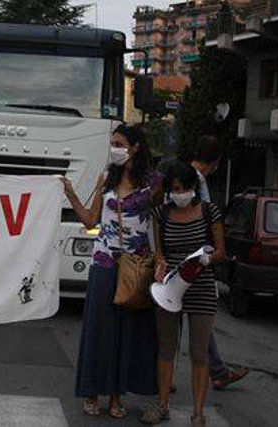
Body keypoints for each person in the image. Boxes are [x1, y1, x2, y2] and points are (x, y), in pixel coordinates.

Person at [63, 124, 161, 419]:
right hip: (103, 264)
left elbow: (159, 223)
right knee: (99, 330)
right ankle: (93, 393)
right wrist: (70, 194)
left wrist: (162, 258)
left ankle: (117, 397)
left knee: (126, 333)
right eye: (113, 144)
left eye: (119, 143)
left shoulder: (153, 183)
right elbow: (91, 219)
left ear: (135, 147)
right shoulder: (105, 178)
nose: (114, 148)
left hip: (136, 266)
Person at [141, 161, 226, 426]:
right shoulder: (160, 214)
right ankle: (162, 405)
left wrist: (205, 261)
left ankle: (198, 413)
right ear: (168, 190)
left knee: (199, 352)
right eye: (175, 189)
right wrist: (160, 263)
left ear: (193, 189)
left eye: (185, 188)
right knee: (166, 348)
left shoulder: (209, 212)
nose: (181, 193)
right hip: (170, 285)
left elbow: (221, 251)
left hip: (200, 285)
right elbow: (159, 251)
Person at [191, 136, 248, 390]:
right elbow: (202, 220)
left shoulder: (184, 174)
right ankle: (214, 372)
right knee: (197, 318)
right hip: (192, 260)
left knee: (195, 319)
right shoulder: (197, 180)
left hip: (186, 259)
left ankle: (217, 370)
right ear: (215, 163)